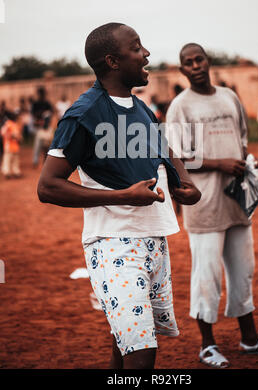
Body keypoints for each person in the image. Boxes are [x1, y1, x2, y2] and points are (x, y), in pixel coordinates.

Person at [37, 23, 201, 370]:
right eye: (137, 47)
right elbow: (48, 186)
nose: (147, 54)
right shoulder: (83, 115)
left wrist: (182, 180)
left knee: (126, 339)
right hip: (114, 244)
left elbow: (163, 146)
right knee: (142, 352)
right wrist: (122, 195)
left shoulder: (139, 107)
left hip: (152, 238)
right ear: (112, 60)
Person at [166, 42, 258, 369]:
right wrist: (219, 163)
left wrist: (248, 160)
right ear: (182, 70)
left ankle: (249, 339)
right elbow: (176, 159)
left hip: (237, 199)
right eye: (188, 63)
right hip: (204, 204)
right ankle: (207, 345)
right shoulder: (180, 106)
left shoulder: (229, 97)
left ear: (208, 61)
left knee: (242, 271)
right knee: (207, 275)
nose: (195, 66)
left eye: (199, 59)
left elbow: (242, 140)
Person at [31, 87, 53, 167]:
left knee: (46, 146)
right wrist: (39, 121)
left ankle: (45, 160)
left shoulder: (47, 103)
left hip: (47, 127)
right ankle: (35, 161)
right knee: (38, 145)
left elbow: (51, 114)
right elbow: (33, 115)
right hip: (39, 127)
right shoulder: (35, 103)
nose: (41, 95)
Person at [1, 111, 22, 178]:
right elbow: (2, 132)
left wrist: (19, 138)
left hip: (15, 146)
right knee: (7, 159)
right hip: (9, 145)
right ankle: (7, 172)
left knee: (15, 160)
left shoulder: (15, 125)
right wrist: (10, 135)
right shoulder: (8, 124)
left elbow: (18, 135)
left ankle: (16, 172)